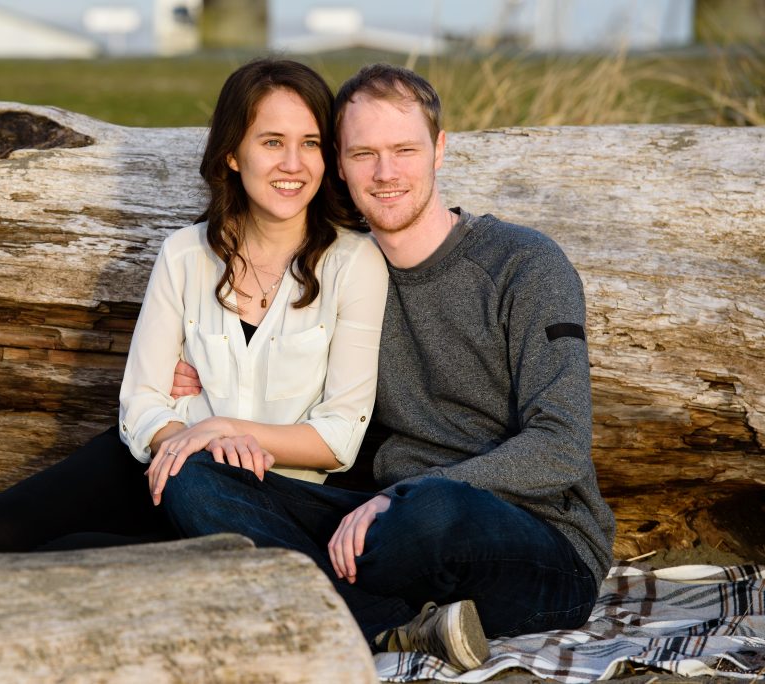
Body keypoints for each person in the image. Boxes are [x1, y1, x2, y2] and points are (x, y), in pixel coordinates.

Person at [161, 63, 616, 672]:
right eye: (364, 153)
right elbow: (305, 396)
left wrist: (407, 494)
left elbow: (560, 448)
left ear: (440, 150)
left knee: (430, 515)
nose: (385, 173)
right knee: (196, 477)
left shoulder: (524, 265)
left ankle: (325, 603)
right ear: (340, 168)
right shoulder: (341, 274)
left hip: (532, 541)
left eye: (404, 149)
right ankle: (392, 626)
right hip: (380, 528)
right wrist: (195, 386)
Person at [0, 58, 388, 558]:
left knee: (69, 558)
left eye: (311, 144)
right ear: (232, 153)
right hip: (163, 464)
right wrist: (190, 439)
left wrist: (227, 429)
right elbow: (139, 403)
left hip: (263, 500)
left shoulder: (353, 264)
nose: (292, 164)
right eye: (272, 141)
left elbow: (339, 437)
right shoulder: (186, 255)